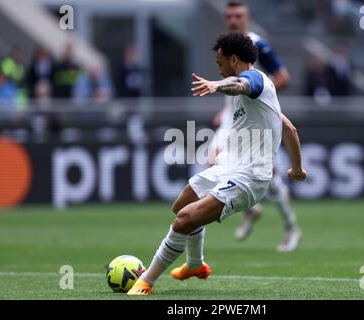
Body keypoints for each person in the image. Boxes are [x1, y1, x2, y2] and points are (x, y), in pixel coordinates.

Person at [127, 32, 307, 296]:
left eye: (220, 62)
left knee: (183, 220)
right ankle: (196, 265)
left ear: (234, 59)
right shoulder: (261, 97)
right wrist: (297, 168)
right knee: (182, 206)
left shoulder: (255, 80)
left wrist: (216, 85)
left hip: (249, 178)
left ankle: (146, 282)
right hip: (228, 167)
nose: (217, 67)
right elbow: (289, 128)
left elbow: (242, 83)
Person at [210, 0, 300, 252]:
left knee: (270, 177)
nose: (234, 20)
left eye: (238, 15)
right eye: (229, 16)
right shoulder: (226, 50)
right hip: (232, 117)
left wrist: (260, 96)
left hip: (256, 119)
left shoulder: (258, 45)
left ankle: (291, 227)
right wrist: (224, 109)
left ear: (246, 18)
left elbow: (283, 78)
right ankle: (249, 209)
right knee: (212, 160)